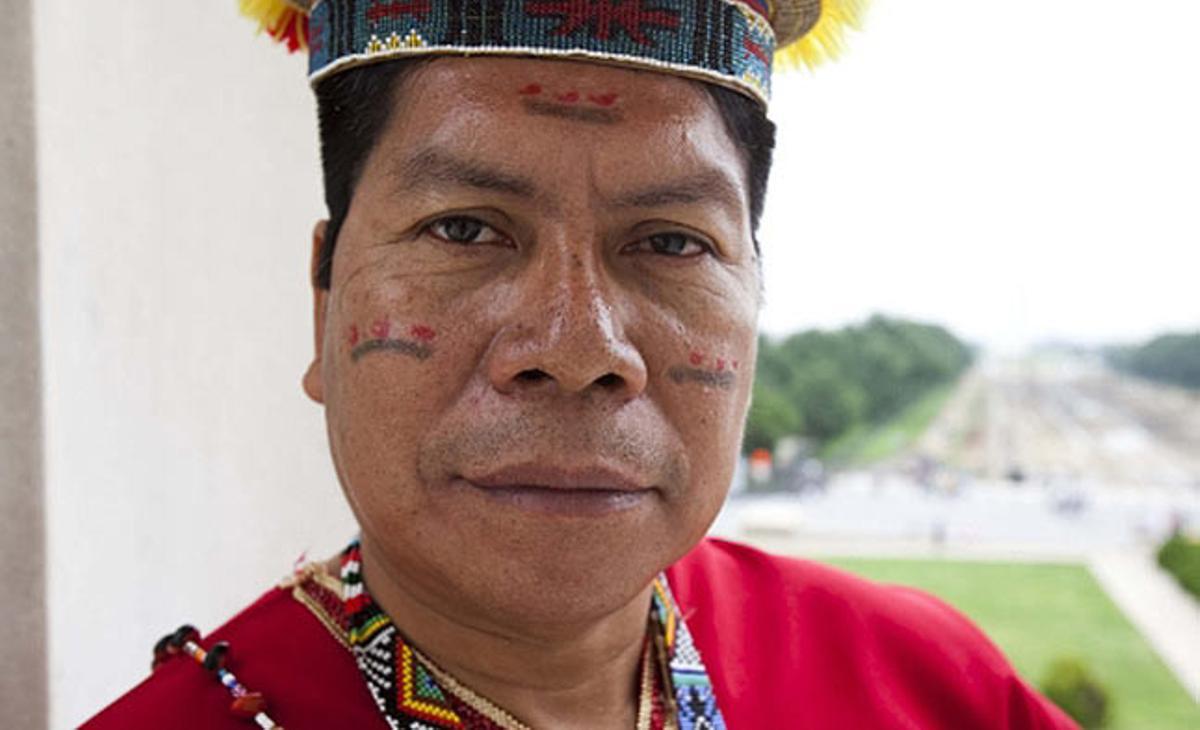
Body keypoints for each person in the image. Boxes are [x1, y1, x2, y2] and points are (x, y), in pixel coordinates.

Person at [85, 0, 1078, 727]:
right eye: (464, 227)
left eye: (672, 242)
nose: (577, 348)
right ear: (323, 302)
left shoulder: (928, 687)